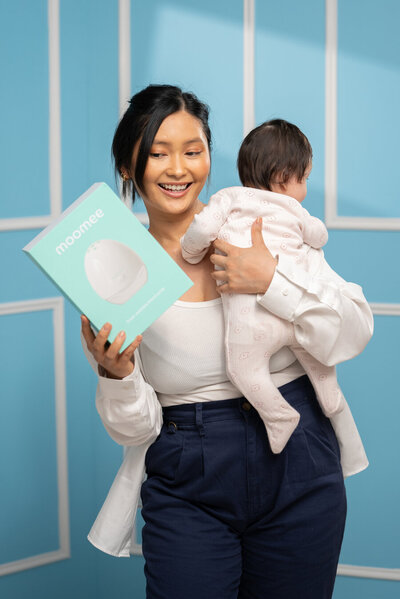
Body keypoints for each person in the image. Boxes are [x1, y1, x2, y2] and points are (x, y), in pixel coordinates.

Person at [81, 84, 373, 599]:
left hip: (299, 460)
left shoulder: (260, 225)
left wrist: (272, 282)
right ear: (129, 167)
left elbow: (352, 332)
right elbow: (135, 430)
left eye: (192, 152)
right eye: (158, 153)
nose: (178, 169)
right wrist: (118, 376)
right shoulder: (116, 270)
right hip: (188, 473)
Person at [180, 119, 345, 455]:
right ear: (285, 177)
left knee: (242, 368)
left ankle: (278, 415)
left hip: (252, 322)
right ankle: (329, 393)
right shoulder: (296, 211)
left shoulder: (230, 198)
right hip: (293, 314)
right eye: (306, 178)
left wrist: (190, 251)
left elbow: (202, 228)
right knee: (311, 351)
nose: (306, 188)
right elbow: (318, 235)